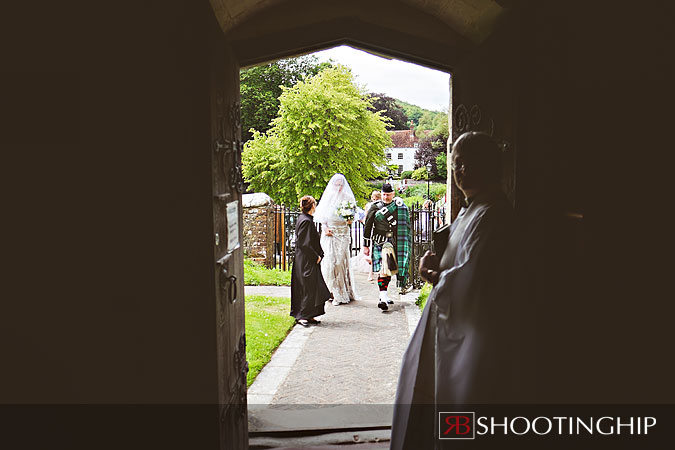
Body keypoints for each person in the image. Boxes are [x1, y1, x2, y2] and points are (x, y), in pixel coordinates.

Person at [389, 132, 519, 449]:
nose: (460, 170)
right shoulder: (472, 208)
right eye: (456, 163)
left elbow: (475, 276)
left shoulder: (492, 214)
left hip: (471, 332)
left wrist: (431, 276)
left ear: (490, 167)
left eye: (469, 163)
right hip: (449, 319)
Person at [362, 183, 411, 310]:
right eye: (384, 194)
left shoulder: (399, 207)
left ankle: (383, 294)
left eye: (388, 195)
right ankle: (383, 297)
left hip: (395, 242)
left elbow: (405, 225)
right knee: (385, 268)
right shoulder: (375, 207)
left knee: (389, 269)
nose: (386, 197)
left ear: (393, 194)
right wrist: (366, 245)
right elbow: (367, 226)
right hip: (381, 241)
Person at [314, 174, 359, 306]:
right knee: (329, 262)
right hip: (330, 232)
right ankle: (331, 292)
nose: (338, 187)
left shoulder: (348, 198)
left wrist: (349, 218)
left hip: (343, 232)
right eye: (336, 184)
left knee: (340, 261)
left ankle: (342, 291)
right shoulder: (328, 197)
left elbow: (353, 216)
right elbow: (321, 215)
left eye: (340, 185)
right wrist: (325, 227)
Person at [290, 196, 331, 327]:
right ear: (312, 206)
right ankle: (302, 315)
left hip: (304, 259)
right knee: (307, 287)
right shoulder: (306, 221)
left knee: (313, 286)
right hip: (306, 260)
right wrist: (316, 256)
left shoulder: (305, 219)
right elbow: (303, 243)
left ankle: (310, 314)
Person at [363, 191, 381, 282]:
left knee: (376, 255)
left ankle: (377, 273)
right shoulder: (369, 206)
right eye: (373, 198)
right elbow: (366, 219)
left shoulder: (381, 206)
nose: (374, 200)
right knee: (372, 254)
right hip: (371, 231)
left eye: (376, 198)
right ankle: (371, 273)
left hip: (378, 232)